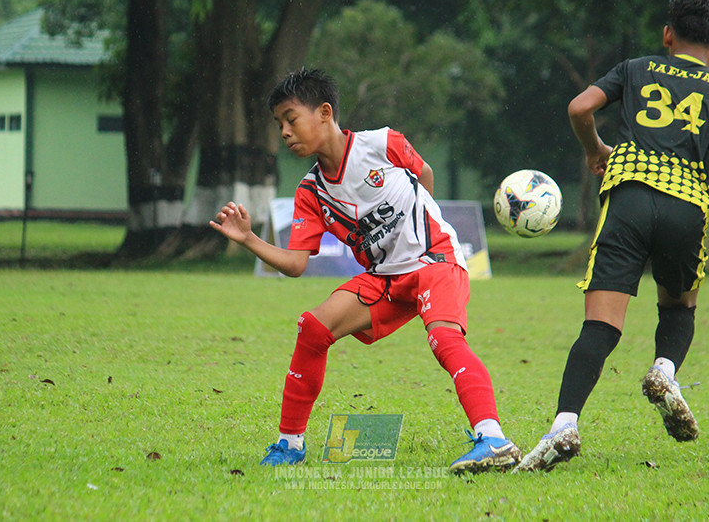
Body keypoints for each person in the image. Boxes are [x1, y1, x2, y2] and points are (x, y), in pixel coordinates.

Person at [515, 0, 709, 472]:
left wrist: (595, 149)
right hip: (687, 206)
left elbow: (580, 108)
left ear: (667, 35)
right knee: (678, 305)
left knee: (600, 325)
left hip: (630, 199)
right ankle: (664, 371)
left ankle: (564, 425)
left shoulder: (635, 68)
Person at [210, 67, 521, 474]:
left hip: (435, 260)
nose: (284, 132)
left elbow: (422, 175)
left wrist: (419, 226)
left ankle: (494, 439)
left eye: (291, 118)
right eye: (279, 124)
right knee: (314, 328)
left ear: (324, 112)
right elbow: (296, 265)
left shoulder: (382, 144)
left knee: (444, 340)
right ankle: (289, 445)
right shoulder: (311, 193)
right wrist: (249, 239)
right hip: (387, 278)